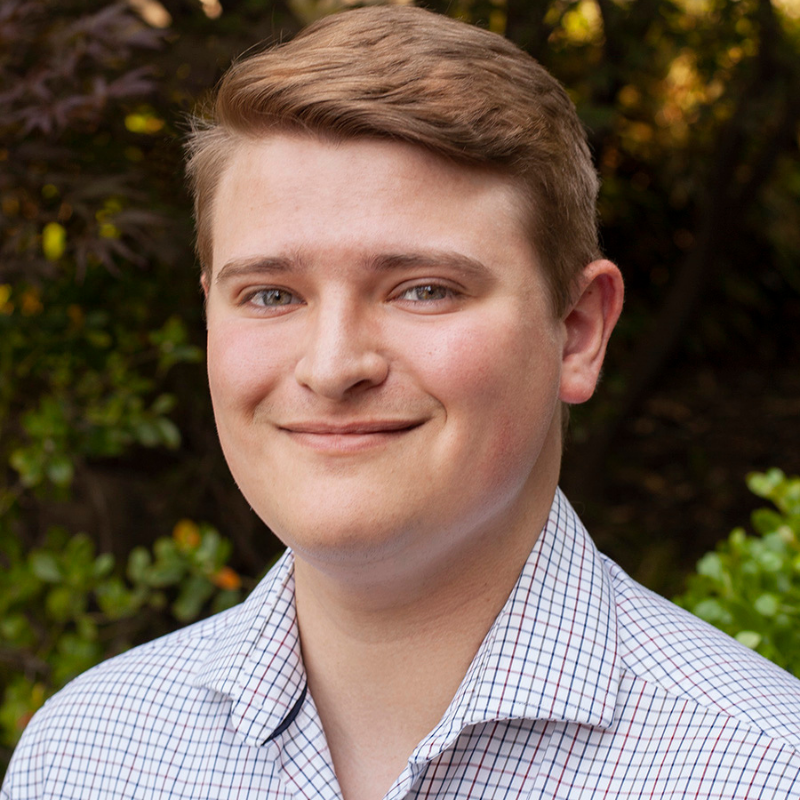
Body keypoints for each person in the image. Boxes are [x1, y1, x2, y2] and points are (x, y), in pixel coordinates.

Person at [3, 6, 800, 799]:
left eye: (423, 289)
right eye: (273, 294)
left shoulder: (761, 770)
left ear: (579, 331)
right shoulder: (83, 757)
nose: (332, 365)